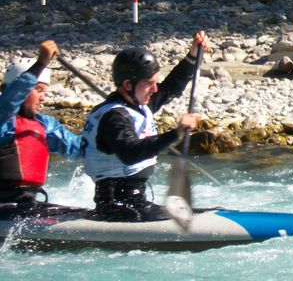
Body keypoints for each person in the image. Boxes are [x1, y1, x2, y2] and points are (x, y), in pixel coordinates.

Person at [82, 31, 209, 222]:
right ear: (127, 85)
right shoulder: (114, 118)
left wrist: (192, 57)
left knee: (208, 211)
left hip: (134, 203)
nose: (155, 89)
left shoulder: (135, 106)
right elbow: (130, 153)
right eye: (149, 84)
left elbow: (170, 88)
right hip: (117, 207)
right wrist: (176, 133)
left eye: (155, 82)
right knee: (195, 215)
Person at [0, 40, 82, 206]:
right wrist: (41, 64)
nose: (43, 98)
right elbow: (11, 99)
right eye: (38, 90)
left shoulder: (44, 125)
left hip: (28, 204)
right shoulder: (4, 120)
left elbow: (79, 148)